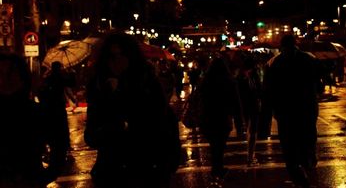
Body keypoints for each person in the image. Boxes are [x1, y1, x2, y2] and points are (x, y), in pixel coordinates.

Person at [84, 31, 181, 188]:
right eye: (111, 56)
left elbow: (163, 123)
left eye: (121, 55)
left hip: (147, 171)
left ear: (131, 56)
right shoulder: (99, 87)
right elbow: (91, 136)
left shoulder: (147, 83)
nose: (117, 61)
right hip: (113, 173)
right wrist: (113, 118)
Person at [263, 34, 321, 188]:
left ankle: (300, 178)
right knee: (307, 139)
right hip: (306, 109)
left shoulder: (273, 63)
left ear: (281, 46)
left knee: (289, 149)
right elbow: (319, 81)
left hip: (285, 112)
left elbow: (268, 91)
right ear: (296, 44)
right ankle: (308, 161)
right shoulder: (309, 59)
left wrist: (269, 113)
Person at [0, 52, 50, 187]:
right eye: (1, 74)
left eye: (10, 73)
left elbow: (58, 145)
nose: (5, 79)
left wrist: (45, 176)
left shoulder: (36, 112)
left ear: (22, 77)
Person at [198, 56, 242, 187]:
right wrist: (239, 119)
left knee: (214, 144)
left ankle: (217, 167)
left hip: (208, 117)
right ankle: (218, 168)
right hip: (223, 117)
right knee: (220, 144)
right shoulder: (229, 81)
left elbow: (201, 99)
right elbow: (235, 101)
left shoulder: (205, 81)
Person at [39, 61, 71, 178]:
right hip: (57, 106)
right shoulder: (59, 77)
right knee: (61, 127)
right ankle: (62, 145)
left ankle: (57, 145)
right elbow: (71, 83)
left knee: (57, 129)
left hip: (52, 108)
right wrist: (69, 73)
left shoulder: (48, 77)